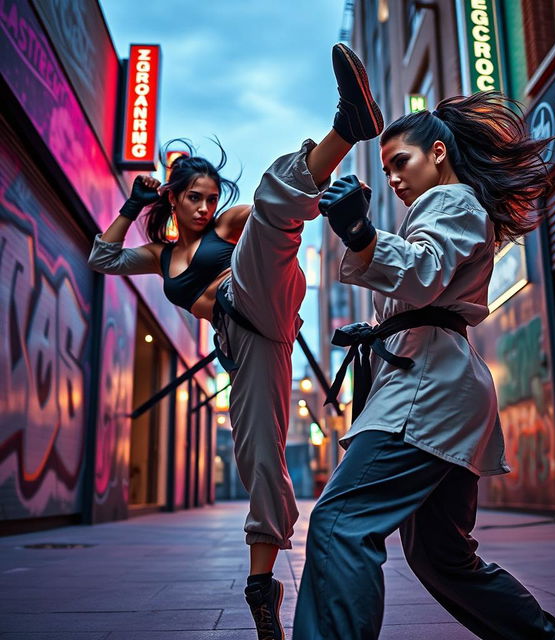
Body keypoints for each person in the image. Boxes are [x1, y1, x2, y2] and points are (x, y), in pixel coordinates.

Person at [87, 44, 383, 640]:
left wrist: (336, 208)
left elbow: (282, 206)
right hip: (246, 346)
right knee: (260, 460)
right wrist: (130, 204)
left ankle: (348, 127)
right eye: (191, 197)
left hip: (265, 292)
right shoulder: (160, 257)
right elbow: (101, 257)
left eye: (208, 197)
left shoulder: (228, 224)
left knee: (274, 195)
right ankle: (260, 584)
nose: (203, 206)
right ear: (172, 199)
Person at [292, 91, 555, 640]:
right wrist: (375, 328)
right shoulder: (450, 208)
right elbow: (423, 288)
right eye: (387, 166)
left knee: (340, 523)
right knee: (442, 556)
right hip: (440, 384)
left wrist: (362, 234)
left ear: (438, 152)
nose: (393, 177)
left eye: (402, 162)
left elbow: (422, 273)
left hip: (428, 390)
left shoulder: (451, 201)